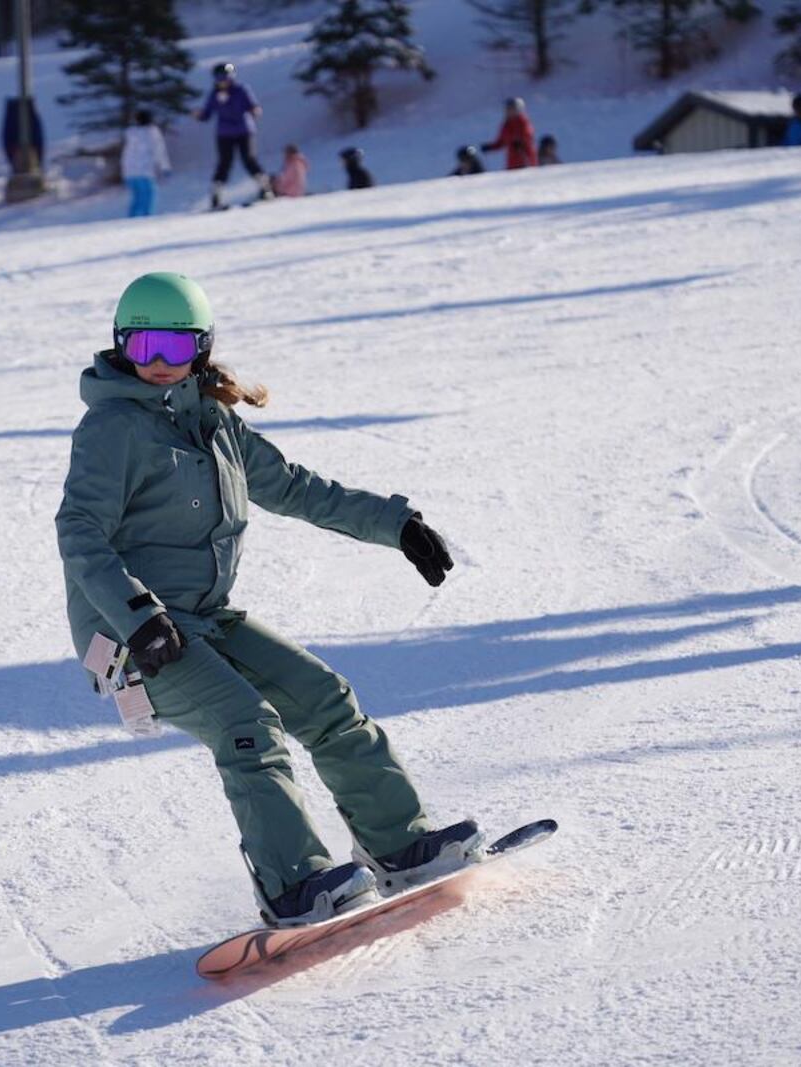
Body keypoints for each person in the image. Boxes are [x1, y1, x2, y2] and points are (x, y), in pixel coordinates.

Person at [56, 272, 482, 926]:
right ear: (121, 347)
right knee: (245, 723)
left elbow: (294, 486)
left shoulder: (213, 421)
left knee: (324, 697)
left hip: (204, 618)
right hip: (124, 637)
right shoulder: (112, 428)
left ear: (201, 348)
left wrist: (394, 524)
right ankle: (293, 884)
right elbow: (79, 532)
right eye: (145, 349)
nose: (161, 364)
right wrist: (139, 617)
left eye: (175, 347)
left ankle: (398, 842)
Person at [195, 62, 272, 209]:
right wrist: (199, 115)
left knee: (249, 159)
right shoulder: (214, 94)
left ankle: (266, 189)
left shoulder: (241, 90)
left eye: (226, 78)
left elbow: (253, 105)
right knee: (224, 163)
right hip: (224, 133)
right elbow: (207, 114)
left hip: (244, 131)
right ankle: (216, 196)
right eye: (221, 78)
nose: (224, 81)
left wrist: (255, 110)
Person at [120, 109, 171, 218]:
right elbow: (159, 151)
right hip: (145, 170)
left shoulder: (131, 133)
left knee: (137, 198)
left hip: (130, 172)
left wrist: (124, 170)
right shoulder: (152, 132)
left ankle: (131, 220)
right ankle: (146, 220)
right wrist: (165, 167)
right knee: (149, 197)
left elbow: (125, 154)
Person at [481, 97, 537, 170]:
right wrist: (490, 147)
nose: (508, 111)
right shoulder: (506, 124)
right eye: (507, 108)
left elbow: (528, 135)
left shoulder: (523, 122)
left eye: (511, 108)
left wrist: (520, 142)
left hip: (525, 159)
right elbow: (501, 142)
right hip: (512, 162)